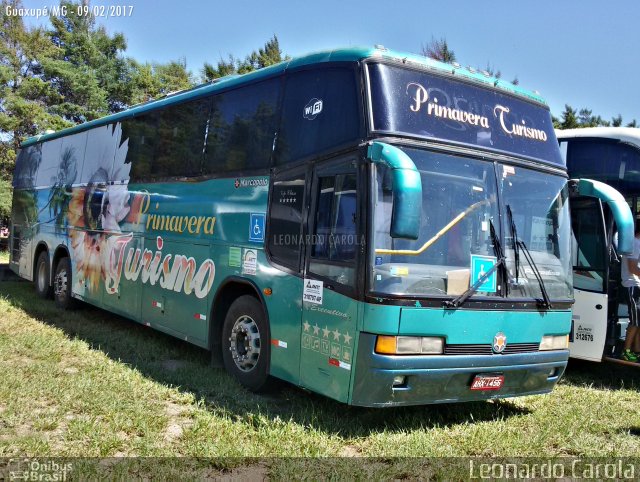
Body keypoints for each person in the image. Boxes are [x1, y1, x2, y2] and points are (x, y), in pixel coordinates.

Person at [621, 222, 640, 361]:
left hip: (637, 285)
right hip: (632, 285)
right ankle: (626, 351)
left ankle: (636, 350)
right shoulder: (634, 243)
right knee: (635, 321)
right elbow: (633, 268)